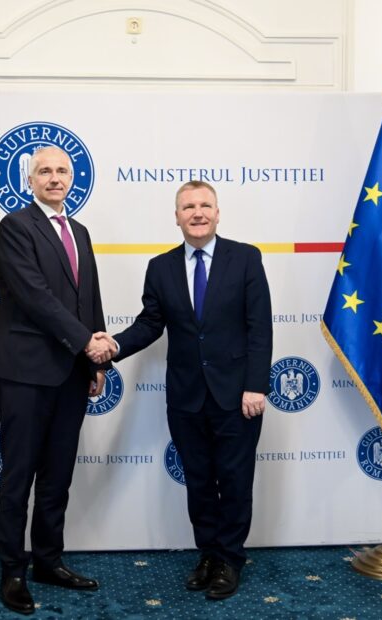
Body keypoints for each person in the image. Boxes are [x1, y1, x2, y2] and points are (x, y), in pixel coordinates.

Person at [91, 180, 271, 600]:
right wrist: (114, 346)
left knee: (235, 481)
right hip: (186, 397)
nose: (197, 213)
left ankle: (230, 560)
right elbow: (150, 324)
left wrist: (255, 386)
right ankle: (208, 554)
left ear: (217, 213)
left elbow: (259, 327)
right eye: (188, 207)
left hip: (236, 396)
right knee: (199, 481)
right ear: (177, 217)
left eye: (205, 205)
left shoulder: (246, 258)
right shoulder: (161, 267)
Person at [0, 145, 116, 615]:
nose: (54, 178)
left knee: (57, 475)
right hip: (25, 371)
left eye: (62, 170)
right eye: (44, 171)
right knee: (19, 475)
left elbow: (88, 298)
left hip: (72, 372)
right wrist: (86, 343)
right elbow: (34, 296)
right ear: (30, 180)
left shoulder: (79, 231)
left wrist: (96, 361)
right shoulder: (15, 227)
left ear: (72, 179)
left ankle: (48, 560)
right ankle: (12, 571)